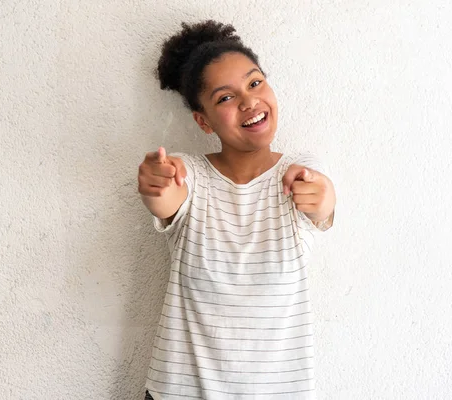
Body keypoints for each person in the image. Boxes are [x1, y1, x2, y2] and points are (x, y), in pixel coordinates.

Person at [138, 20, 336, 400]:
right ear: (203, 121)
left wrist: (320, 195)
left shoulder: (301, 171)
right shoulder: (188, 173)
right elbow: (166, 197)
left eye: (255, 82)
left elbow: (322, 201)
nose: (249, 101)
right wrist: (155, 183)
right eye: (225, 98)